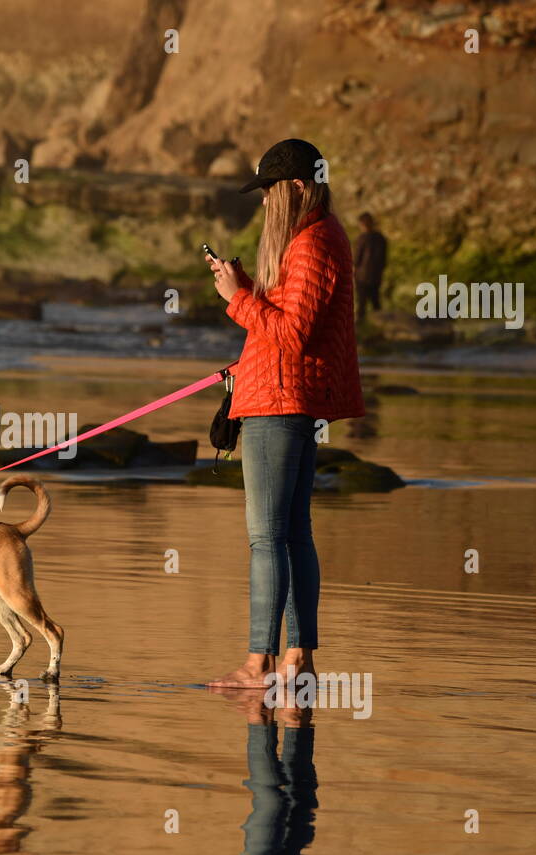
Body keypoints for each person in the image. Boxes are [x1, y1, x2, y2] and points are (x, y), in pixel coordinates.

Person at [205, 138, 365, 689]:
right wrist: (247, 288)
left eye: (272, 191)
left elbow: (292, 334)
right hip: (285, 397)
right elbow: (291, 323)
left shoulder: (314, 242)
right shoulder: (319, 238)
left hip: (281, 402)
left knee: (267, 538)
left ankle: (260, 664)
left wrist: (236, 297)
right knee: (294, 534)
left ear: (298, 187)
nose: (267, 203)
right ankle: (296, 661)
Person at [353, 212, 387, 323]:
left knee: (361, 303)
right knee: (375, 302)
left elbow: (356, 259)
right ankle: (380, 324)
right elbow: (383, 260)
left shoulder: (362, 239)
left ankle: (360, 327)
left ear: (362, 224)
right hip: (376, 275)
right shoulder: (380, 238)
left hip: (362, 276)